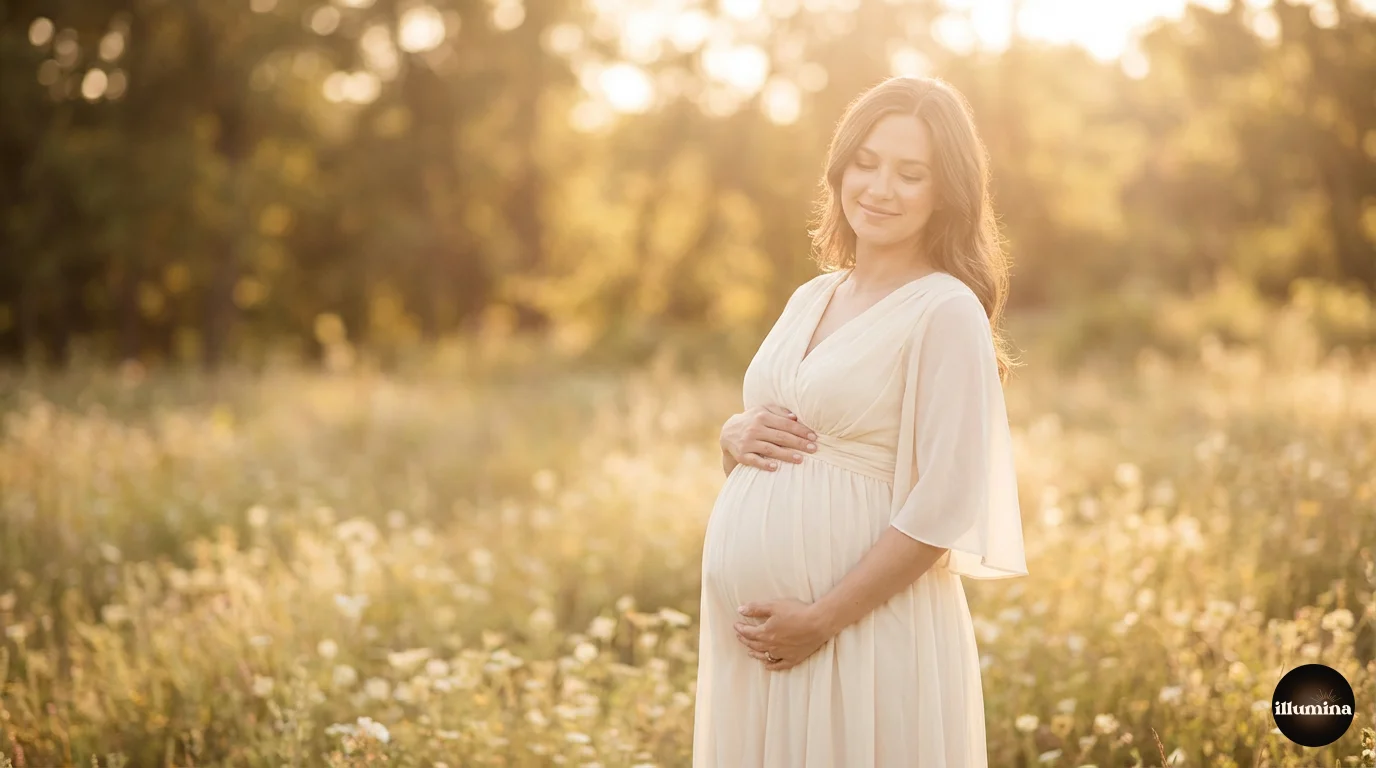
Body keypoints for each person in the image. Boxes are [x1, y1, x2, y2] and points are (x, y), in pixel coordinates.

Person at [691, 75, 1030, 767]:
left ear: (946, 193)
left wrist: (820, 619)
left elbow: (947, 503)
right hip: (757, 645)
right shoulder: (812, 295)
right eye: (866, 163)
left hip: (860, 636)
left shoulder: (945, 310)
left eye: (911, 174)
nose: (879, 188)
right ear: (840, 167)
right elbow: (778, 441)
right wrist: (731, 435)